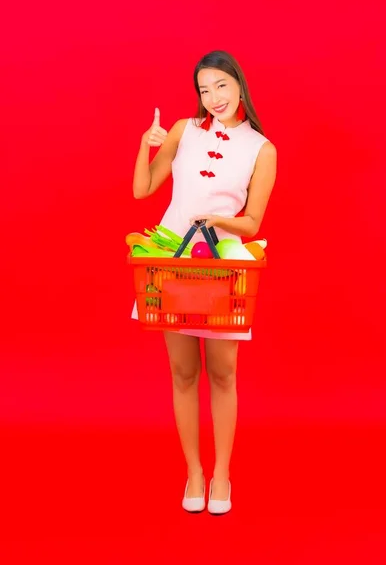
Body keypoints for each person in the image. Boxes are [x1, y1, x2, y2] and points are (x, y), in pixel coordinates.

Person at [132, 50, 277, 514]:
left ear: (239, 83)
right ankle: (193, 470)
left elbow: (252, 222)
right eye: (203, 89)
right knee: (182, 372)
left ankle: (221, 475)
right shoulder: (183, 131)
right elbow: (142, 189)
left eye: (220, 85)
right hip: (172, 255)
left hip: (222, 261)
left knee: (223, 371)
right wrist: (146, 145)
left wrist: (220, 221)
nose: (212, 97)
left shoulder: (262, 149)